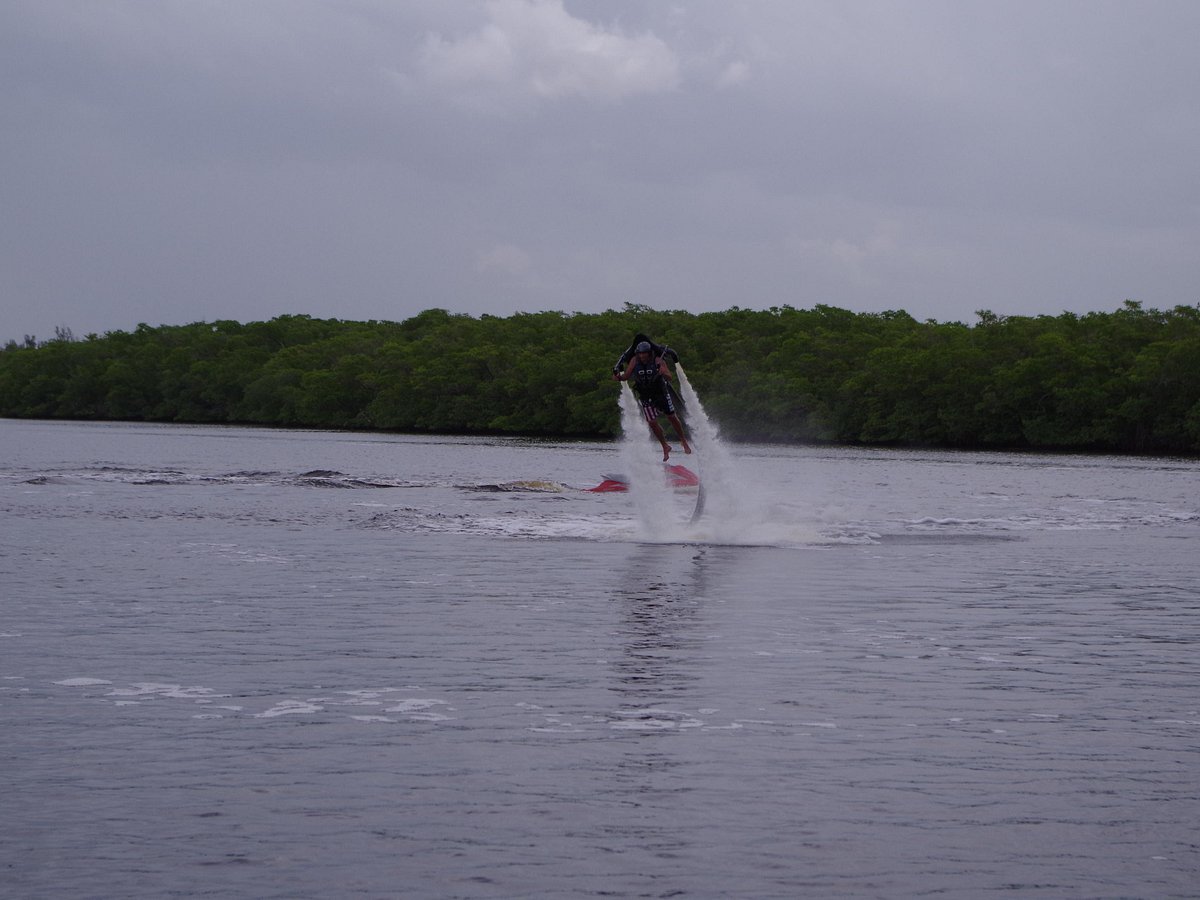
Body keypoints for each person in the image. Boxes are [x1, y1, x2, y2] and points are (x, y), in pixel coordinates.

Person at [614, 341, 692, 461]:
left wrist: (663, 372)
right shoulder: (635, 361)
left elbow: (669, 377)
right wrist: (618, 377)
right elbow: (626, 376)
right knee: (651, 421)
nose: (642, 356)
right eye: (640, 354)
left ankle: (683, 440)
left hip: (660, 393)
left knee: (671, 416)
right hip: (645, 395)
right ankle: (665, 446)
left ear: (649, 353)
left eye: (645, 354)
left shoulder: (657, 360)